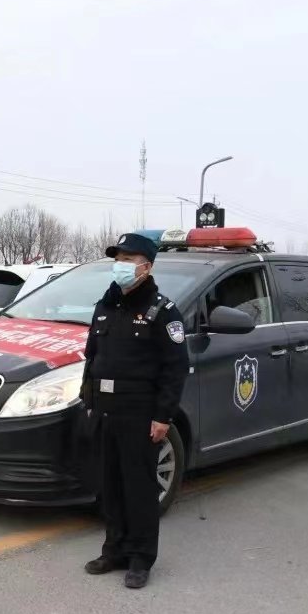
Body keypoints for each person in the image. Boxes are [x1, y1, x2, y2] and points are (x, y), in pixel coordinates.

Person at [80, 232, 190, 589]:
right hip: (105, 412)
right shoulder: (105, 306)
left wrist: (163, 416)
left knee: (139, 488)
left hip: (140, 414)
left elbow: (175, 368)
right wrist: (89, 402)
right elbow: (92, 357)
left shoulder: (162, 311)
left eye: (128, 260)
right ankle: (114, 549)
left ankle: (141, 557)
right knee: (109, 485)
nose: (121, 266)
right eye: (118, 259)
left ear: (147, 267)